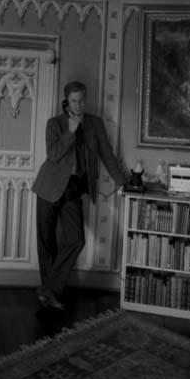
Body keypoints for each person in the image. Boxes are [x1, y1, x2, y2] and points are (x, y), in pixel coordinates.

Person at [32, 80, 127, 310]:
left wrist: (122, 182)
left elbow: (107, 154)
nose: (78, 105)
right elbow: (53, 155)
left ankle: (48, 290)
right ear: (67, 101)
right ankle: (50, 294)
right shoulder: (54, 123)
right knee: (47, 242)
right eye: (74, 100)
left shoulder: (94, 124)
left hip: (73, 190)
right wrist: (71, 132)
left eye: (82, 100)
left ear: (86, 99)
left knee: (76, 240)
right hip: (49, 188)